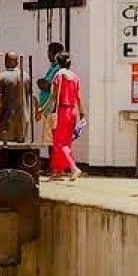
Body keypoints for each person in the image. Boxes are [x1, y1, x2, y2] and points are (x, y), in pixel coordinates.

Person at [46, 52, 81, 181]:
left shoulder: (58, 75)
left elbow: (54, 97)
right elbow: (78, 97)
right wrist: (82, 113)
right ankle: (58, 170)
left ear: (58, 63)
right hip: (72, 110)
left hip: (61, 110)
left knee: (58, 143)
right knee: (66, 142)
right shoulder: (75, 77)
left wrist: (43, 109)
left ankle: (73, 168)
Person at [35, 41, 66, 116]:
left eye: (49, 53)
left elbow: (48, 86)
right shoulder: (52, 68)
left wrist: (44, 83)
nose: (48, 55)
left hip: (52, 110)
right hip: (48, 110)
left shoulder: (58, 69)